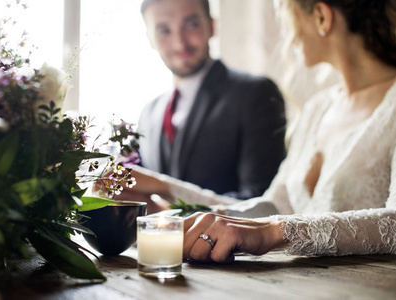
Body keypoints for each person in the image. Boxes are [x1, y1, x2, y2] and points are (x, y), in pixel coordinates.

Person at [121, 0, 396, 261]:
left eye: (286, 17)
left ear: (322, 17)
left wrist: (274, 232)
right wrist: (162, 189)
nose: (286, 34)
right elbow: (271, 206)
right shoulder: (318, 109)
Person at [136, 0, 287, 202]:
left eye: (191, 24)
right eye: (164, 30)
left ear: (212, 26)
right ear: (150, 39)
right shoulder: (148, 113)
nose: (180, 42)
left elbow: (261, 205)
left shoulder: (255, 93)